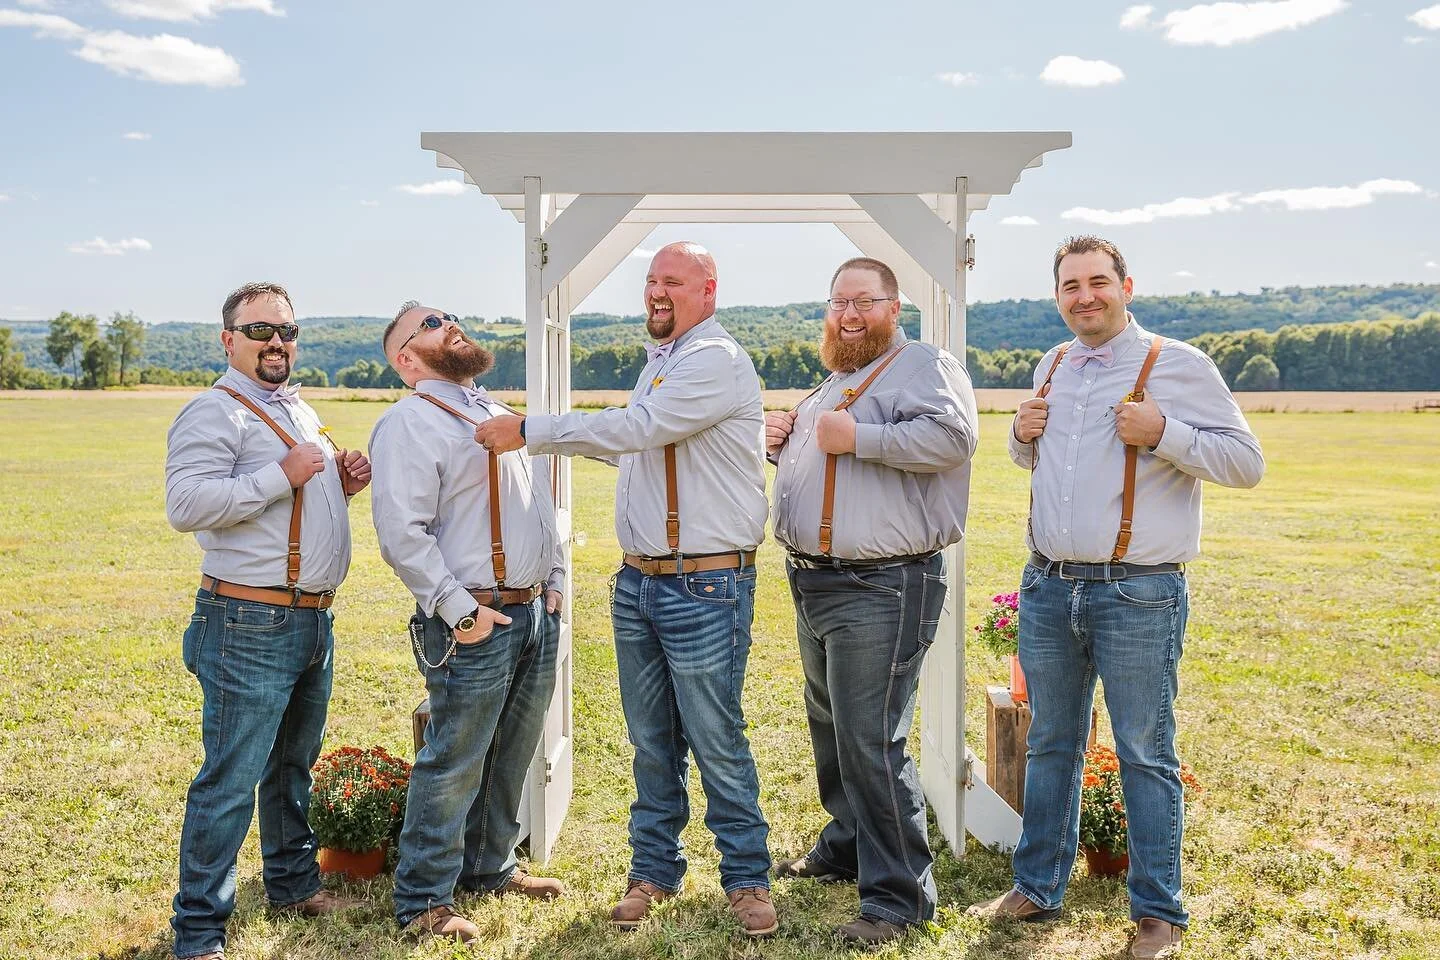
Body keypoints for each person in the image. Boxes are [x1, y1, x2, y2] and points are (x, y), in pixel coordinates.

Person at [967, 236, 1264, 960]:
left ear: (1126, 286)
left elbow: (1246, 462)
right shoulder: (1054, 363)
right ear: (1058, 296)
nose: (1085, 296)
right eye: (1071, 285)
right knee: (1051, 744)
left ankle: (1159, 913)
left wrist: (1164, 432)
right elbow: (1037, 458)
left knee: (1143, 750)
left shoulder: (1178, 365)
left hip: (1138, 593)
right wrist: (1017, 436)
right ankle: (1037, 886)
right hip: (1048, 584)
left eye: (1098, 282)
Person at [474, 242, 777, 937]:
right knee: (650, 740)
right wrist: (570, 438)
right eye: (651, 281)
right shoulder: (664, 364)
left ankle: (747, 879)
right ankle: (653, 872)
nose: (657, 292)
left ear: (709, 289)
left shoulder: (715, 359)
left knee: (716, 736)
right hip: (641, 579)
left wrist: (531, 430)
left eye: (672, 281)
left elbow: (642, 428)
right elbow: (631, 442)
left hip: (705, 583)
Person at [764, 257, 979, 945]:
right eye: (837, 302)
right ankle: (848, 844)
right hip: (818, 579)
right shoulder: (838, 380)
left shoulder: (923, 364)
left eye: (863, 301)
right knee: (831, 726)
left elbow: (952, 439)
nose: (848, 314)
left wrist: (860, 437)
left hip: (883, 584)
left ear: (894, 308)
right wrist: (784, 442)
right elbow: (828, 460)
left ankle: (899, 898)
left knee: (870, 738)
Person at [165, 282, 371, 960]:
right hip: (247, 620)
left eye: (286, 330)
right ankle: (198, 932)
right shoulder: (214, 412)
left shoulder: (297, 410)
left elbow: (290, 497)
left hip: (310, 621)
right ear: (228, 340)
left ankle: (290, 884)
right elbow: (188, 504)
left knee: (292, 768)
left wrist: (337, 484)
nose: (276, 342)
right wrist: (284, 474)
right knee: (229, 780)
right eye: (259, 331)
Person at [369, 303, 567, 944]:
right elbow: (403, 535)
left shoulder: (492, 409)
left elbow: (538, 502)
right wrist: (460, 612)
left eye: (449, 316)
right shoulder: (409, 424)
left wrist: (555, 581)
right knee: (453, 759)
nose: (448, 324)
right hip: (473, 616)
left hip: (532, 608)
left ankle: (491, 867)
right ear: (406, 358)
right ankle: (423, 896)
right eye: (428, 324)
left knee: (512, 752)